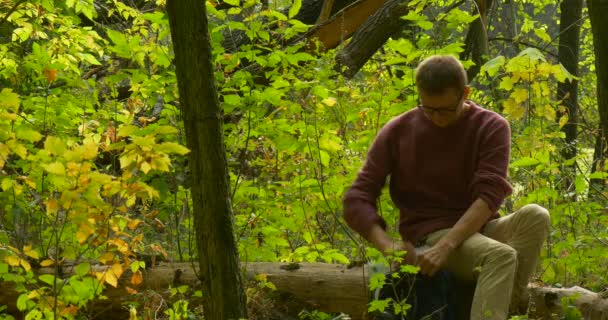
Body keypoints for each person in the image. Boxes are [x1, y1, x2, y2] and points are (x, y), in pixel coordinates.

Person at [343, 55, 550, 320]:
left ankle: (498, 309)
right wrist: (387, 244)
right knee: (502, 256)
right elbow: (357, 197)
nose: (436, 118)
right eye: (428, 109)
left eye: (445, 110)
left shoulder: (491, 126)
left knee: (536, 216)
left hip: (475, 228)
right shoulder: (399, 130)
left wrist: (448, 246)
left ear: (465, 93)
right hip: (429, 234)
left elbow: (489, 195)